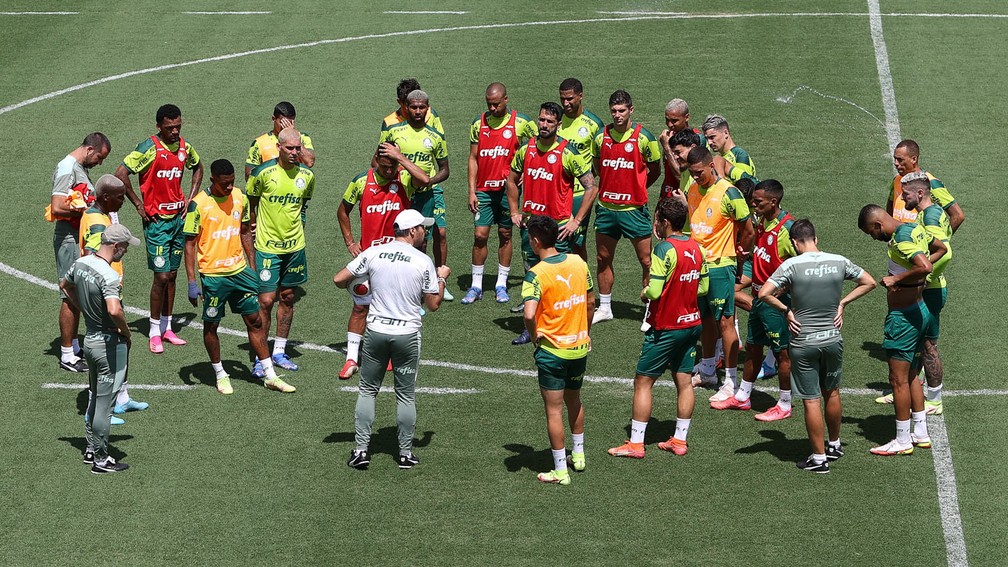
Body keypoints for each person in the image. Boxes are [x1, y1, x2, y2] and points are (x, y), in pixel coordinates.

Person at [333, 209, 450, 470]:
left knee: (367, 391)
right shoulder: (423, 261)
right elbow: (433, 305)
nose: (425, 231)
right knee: (406, 396)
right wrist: (442, 278)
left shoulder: (374, 253)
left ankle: (361, 450)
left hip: (376, 332)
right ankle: (405, 454)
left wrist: (360, 286)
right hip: (407, 335)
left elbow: (339, 279)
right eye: (422, 228)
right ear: (411, 232)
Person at [758, 219, 877, 473]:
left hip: (803, 341)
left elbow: (763, 294)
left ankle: (819, 459)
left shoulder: (791, 265)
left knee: (811, 400)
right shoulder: (839, 261)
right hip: (832, 339)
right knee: (832, 392)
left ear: (794, 242)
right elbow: (869, 282)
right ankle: (834, 445)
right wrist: (843, 303)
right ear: (815, 238)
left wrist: (787, 310)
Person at [183, 159, 296, 394]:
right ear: (213, 180)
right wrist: (192, 281)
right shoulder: (198, 205)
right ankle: (220, 373)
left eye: (232, 182)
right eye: (224, 184)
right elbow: (190, 244)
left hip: (240, 272)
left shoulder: (240, 197)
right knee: (212, 324)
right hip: (214, 276)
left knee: (254, 320)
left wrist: (252, 267)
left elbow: (245, 231)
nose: (229, 187)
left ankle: (269, 375)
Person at [608, 198, 706, 459]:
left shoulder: (664, 249)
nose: (655, 225)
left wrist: (644, 293)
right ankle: (679, 441)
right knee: (684, 381)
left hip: (666, 326)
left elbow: (654, 289)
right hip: (692, 324)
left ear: (664, 222)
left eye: (656, 220)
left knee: (643, 381)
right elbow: (704, 288)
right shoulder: (697, 247)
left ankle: (636, 444)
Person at [506, 101, 598, 345]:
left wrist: (576, 220)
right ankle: (532, 328)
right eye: (541, 120)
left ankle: (566, 323)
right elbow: (511, 179)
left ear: (558, 125)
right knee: (531, 273)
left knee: (559, 277)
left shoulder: (568, 153)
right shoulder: (526, 150)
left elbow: (591, 186)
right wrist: (515, 210)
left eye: (549, 121)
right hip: (531, 225)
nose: (544, 125)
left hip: (557, 228)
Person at [336, 143, 430, 379]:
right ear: (376, 162)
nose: (390, 172)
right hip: (370, 257)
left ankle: (389, 354)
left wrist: (401, 158)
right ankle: (351, 358)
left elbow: (425, 180)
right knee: (360, 307)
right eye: (386, 167)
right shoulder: (360, 181)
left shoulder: (404, 179)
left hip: (399, 256)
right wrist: (350, 242)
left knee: (394, 305)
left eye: (394, 166)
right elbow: (342, 211)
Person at [858, 204, 946, 455]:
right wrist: (915, 275)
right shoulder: (912, 228)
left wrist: (896, 279)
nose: (873, 237)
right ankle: (920, 433)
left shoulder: (901, 240)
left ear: (878, 225)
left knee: (897, 380)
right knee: (911, 376)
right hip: (921, 310)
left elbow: (925, 266)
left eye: (871, 233)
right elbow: (940, 248)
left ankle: (903, 439)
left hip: (904, 318)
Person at [115, 103, 203, 353]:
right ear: (159, 126)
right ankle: (154, 331)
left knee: (173, 275)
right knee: (161, 276)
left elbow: (198, 167)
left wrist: (191, 197)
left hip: (178, 219)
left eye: (178, 127)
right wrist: (137, 204)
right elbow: (121, 173)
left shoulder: (185, 147)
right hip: (157, 223)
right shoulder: (149, 148)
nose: (175, 132)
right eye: (169, 128)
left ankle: (167, 328)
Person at [59, 225, 142, 474]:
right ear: (115, 246)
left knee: (95, 396)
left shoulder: (81, 263)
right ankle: (101, 459)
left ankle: (90, 449)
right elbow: (115, 310)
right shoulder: (108, 275)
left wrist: (85, 310)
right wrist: (126, 332)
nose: (126, 251)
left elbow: (65, 285)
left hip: (90, 340)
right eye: (125, 247)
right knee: (105, 404)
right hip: (108, 344)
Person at [710, 180, 795, 421]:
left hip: (776, 302)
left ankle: (785, 404)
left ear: (773, 202)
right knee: (754, 347)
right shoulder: (762, 224)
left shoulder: (788, 229)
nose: (753, 205)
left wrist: (785, 287)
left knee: (782, 354)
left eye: (758, 202)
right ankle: (743, 396)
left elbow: (804, 263)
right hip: (759, 298)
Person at [521, 215, 594, 485]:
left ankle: (561, 470)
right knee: (574, 400)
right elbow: (589, 301)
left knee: (553, 410)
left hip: (553, 351)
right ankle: (580, 454)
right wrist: (586, 333)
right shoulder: (578, 262)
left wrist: (533, 336)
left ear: (536, 241)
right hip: (579, 346)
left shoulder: (536, 274)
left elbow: (529, 314)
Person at [683, 147, 754, 404]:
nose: (696, 177)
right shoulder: (692, 189)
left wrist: (740, 256)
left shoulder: (730, 193)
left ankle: (730, 380)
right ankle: (708, 370)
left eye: (699, 172)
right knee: (705, 320)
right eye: (692, 173)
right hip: (697, 267)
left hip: (720, 266)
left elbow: (748, 229)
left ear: (711, 165)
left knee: (725, 322)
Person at [246, 127, 315, 377]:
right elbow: (250, 202)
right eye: (290, 148)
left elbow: (304, 203)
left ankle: (279, 351)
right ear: (279, 148)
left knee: (287, 297)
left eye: (298, 148)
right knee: (265, 301)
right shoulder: (262, 173)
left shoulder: (306, 176)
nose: (295, 153)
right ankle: (260, 357)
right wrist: (251, 228)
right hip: (267, 247)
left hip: (295, 247)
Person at [462, 82, 537, 305]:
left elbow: (537, 148)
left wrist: (526, 170)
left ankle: (501, 285)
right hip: (484, 191)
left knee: (505, 234)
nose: (492, 109)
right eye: (489, 104)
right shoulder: (478, 123)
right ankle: (476, 285)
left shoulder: (522, 122)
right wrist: (471, 190)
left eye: (496, 104)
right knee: (480, 235)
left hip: (508, 191)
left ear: (506, 99)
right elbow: (473, 158)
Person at [590, 89, 661, 324]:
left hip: (634, 210)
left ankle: (650, 311)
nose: (617, 115)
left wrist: (637, 187)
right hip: (607, 209)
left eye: (622, 111)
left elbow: (655, 170)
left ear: (631, 110)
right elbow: (598, 167)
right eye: (613, 111)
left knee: (647, 262)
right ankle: (606, 307)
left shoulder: (644, 138)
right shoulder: (600, 137)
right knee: (603, 258)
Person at [80, 175, 148, 416]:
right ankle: (98, 409)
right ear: (106, 197)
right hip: (104, 295)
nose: (123, 202)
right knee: (111, 347)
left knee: (121, 346)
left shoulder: (94, 214)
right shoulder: (98, 223)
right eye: (120, 198)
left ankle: (122, 397)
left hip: (109, 290)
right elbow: (91, 256)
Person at [379, 89, 453, 299]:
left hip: (425, 195)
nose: (418, 111)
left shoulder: (435, 136)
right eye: (414, 107)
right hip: (399, 194)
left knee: (422, 241)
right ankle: (396, 285)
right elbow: (377, 161)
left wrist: (429, 182)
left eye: (422, 107)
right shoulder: (393, 131)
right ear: (406, 108)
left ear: (427, 108)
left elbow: (445, 170)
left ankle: (424, 287)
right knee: (398, 237)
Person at [50, 132, 110, 372]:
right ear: (89, 150)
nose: (99, 162)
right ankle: (67, 355)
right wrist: (86, 209)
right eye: (99, 157)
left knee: (78, 291)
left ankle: (74, 347)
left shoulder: (78, 168)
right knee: (70, 293)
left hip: (78, 237)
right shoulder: (67, 167)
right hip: (69, 238)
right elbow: (57, 205)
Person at [895, 172, 952, 415]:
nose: (901, 197)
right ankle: (912, 387)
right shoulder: (931, 213)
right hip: (931, 287)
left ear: (919, 194)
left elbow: (945, 252)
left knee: (928, 345)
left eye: (905, 194)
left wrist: (923, 278)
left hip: (931, 290)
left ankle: (935, 399)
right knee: (918, 343)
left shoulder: (929, 216)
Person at [557, 78, 605, 261]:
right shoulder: (555, 119)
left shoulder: (593, 124)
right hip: (555, 193)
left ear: (580, 96)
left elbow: (601, 158)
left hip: (579, 194)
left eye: (570, 98)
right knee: (552, 240)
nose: (566, 103)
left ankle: (582, 286)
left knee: (576, 242)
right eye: (563, 99)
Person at [887, 139, 964, 233]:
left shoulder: (931, 183)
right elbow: (891, 204)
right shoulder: (897, 180)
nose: (896, 163)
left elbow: (958, 215)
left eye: (900, 160)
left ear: (914, 159)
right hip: (900, 242)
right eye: (895, 159)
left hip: (919, 245)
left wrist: (940, 241)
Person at [245, 101, 315, 180]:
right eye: (283, 122)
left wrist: (293, 135)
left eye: (290, 122)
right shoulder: (259, 143)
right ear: (273, 119)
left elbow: (309, 162)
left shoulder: (303, 138)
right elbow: (249, 175)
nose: (286, 126)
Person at [701, 114, 757, 184]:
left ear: (725, 133)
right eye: (707, 138)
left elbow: (746, 186)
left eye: (712, 137)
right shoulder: (721, 158)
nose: (709, 142)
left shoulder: (740, 155)